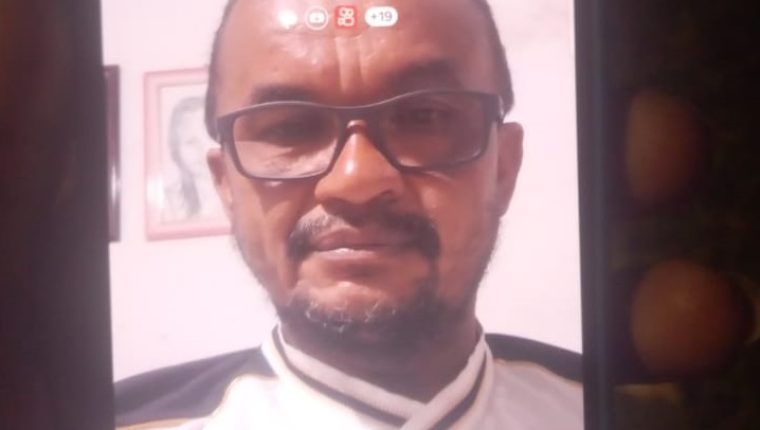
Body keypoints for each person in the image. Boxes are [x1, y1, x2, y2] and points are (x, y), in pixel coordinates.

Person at [114, 0, 584, 428]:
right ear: (226, 187)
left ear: (503, 168)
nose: (356, 182)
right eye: (290, 127)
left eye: (424, 117)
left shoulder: (611, 405)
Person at [163, 96, 222, 221]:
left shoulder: (243, 195)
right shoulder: (170, 202)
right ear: (176, 149)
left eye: (209, 138)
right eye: (191, 142)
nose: (203, 150)